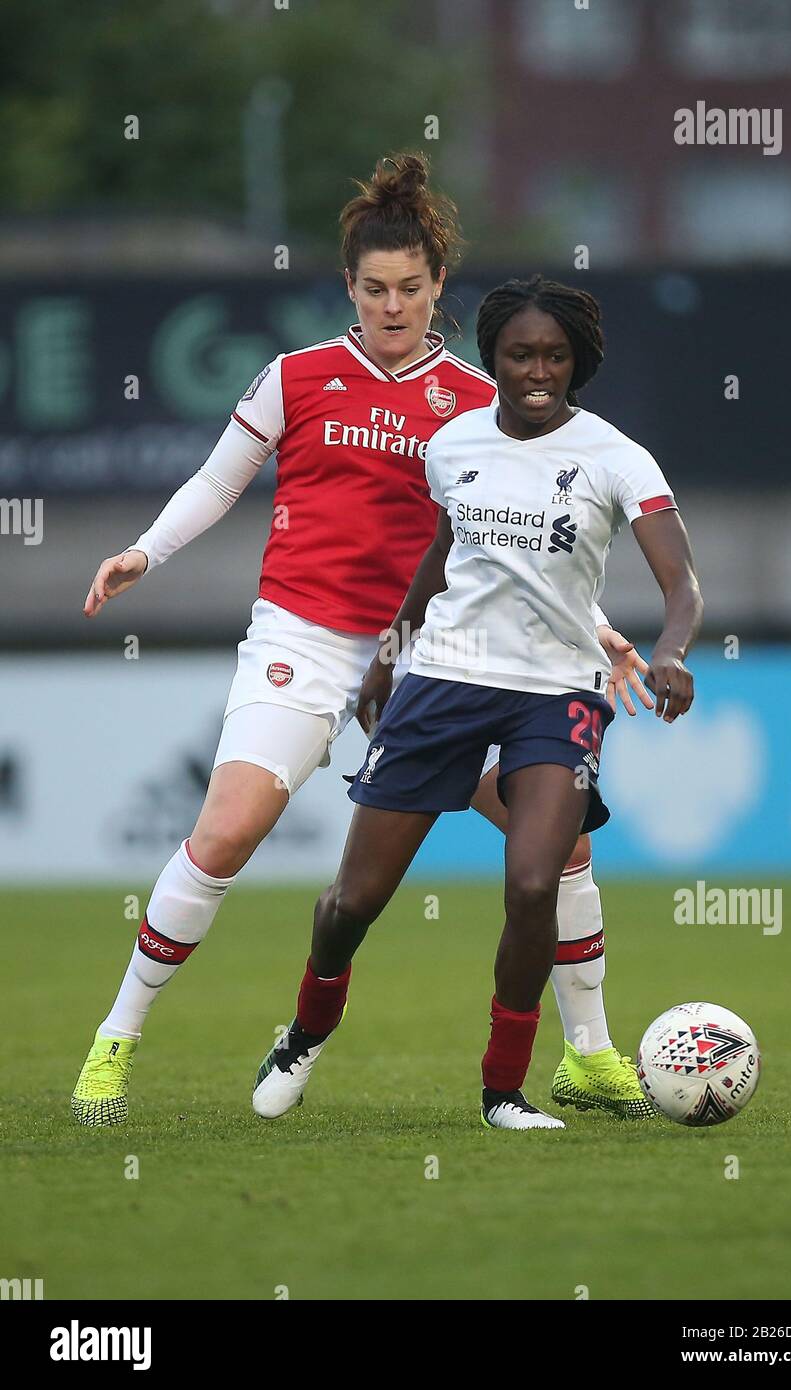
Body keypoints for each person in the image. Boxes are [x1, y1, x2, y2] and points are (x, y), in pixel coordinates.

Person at [70, 155, 646, 1127]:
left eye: (410, 289)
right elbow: (216, 481)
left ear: (436, 290)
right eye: (374, 289)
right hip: (301, 635)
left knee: (553, 837)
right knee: (225, 832)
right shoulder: (296, 378)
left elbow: (524, 545)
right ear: (348, 286)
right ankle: (114, 1041)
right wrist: (143, 551)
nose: (391, 306)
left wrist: (599, 628)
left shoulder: (476, 401)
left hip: (438, 657)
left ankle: (586, 1055)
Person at [251, 274, 702, 1130]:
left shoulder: (617, 456)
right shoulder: (453, 445)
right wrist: (390, 648)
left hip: (557, 694)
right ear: (491, 358)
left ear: (581, 361)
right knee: (354, 902)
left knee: (536, 881)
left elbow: (682, 586)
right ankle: (307, 1030)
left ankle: (504, 1091)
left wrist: (672, 653)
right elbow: (444, 551)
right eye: (521, 354)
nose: (539, 371)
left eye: (556, 355)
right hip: (445, 684)